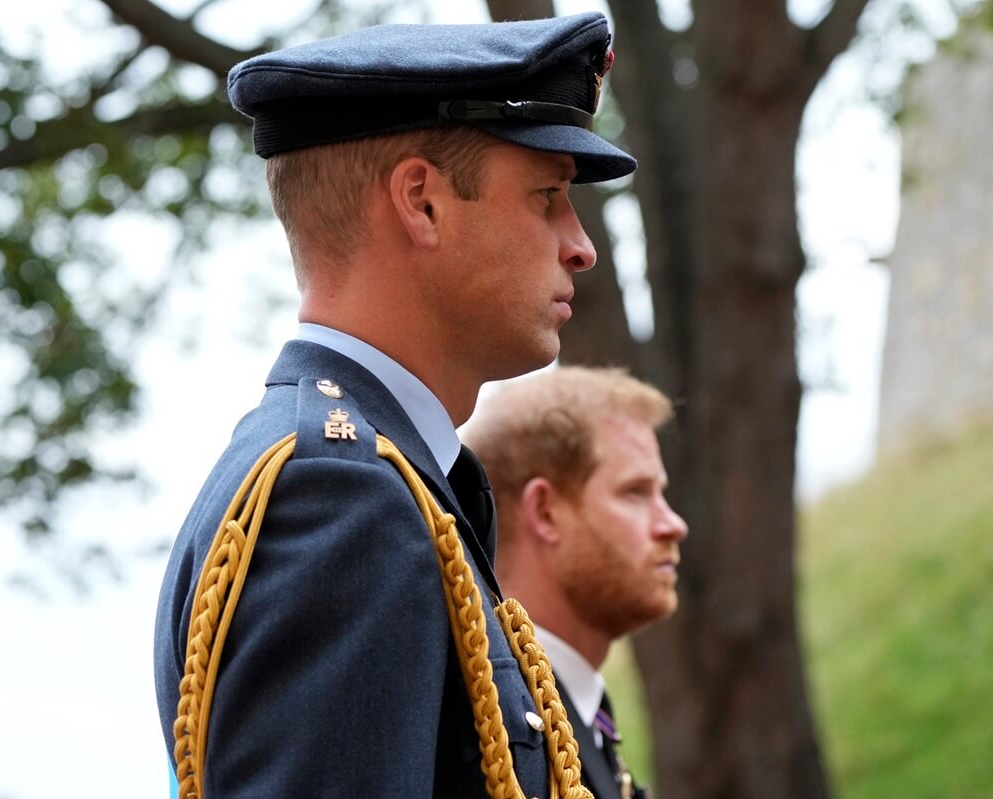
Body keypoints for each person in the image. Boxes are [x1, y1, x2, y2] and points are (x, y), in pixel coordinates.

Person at [152, 13, 636, 798]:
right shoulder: (339, 496)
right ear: (422, 202)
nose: (579, 244)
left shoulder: (393, 477)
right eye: (547, 195)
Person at [462, 366, 689, 799]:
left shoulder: (573, 709)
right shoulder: (494, 735)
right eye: (635, 493)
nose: (673, 524)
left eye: (662, 493)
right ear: (546, 512)